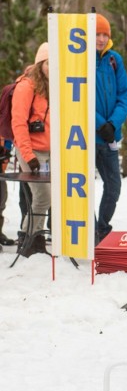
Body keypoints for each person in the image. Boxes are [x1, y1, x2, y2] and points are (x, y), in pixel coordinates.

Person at [10, 42, 51, 257]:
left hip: (51, 151)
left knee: (46, 197)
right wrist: (29, 156)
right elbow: (18, 123)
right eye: (48, 63)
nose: (52, 68)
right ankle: (26, 238)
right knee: (42, 196)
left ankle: (37, 240)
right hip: (32, 151)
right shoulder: (27, 86)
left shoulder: (59, 85)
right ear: (40, 63)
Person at [95, 14, 127, 242]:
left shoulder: (114, 59)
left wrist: (113, 123)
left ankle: (101, 227)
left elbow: (124, 95)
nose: (100, 39)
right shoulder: (79, 59)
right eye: (97, 34)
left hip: (109, 136)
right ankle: (85, 231)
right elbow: (78, 97)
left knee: (114, 186)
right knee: (82, 188)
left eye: (104, 34)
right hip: (85, 136)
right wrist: (100, 123)